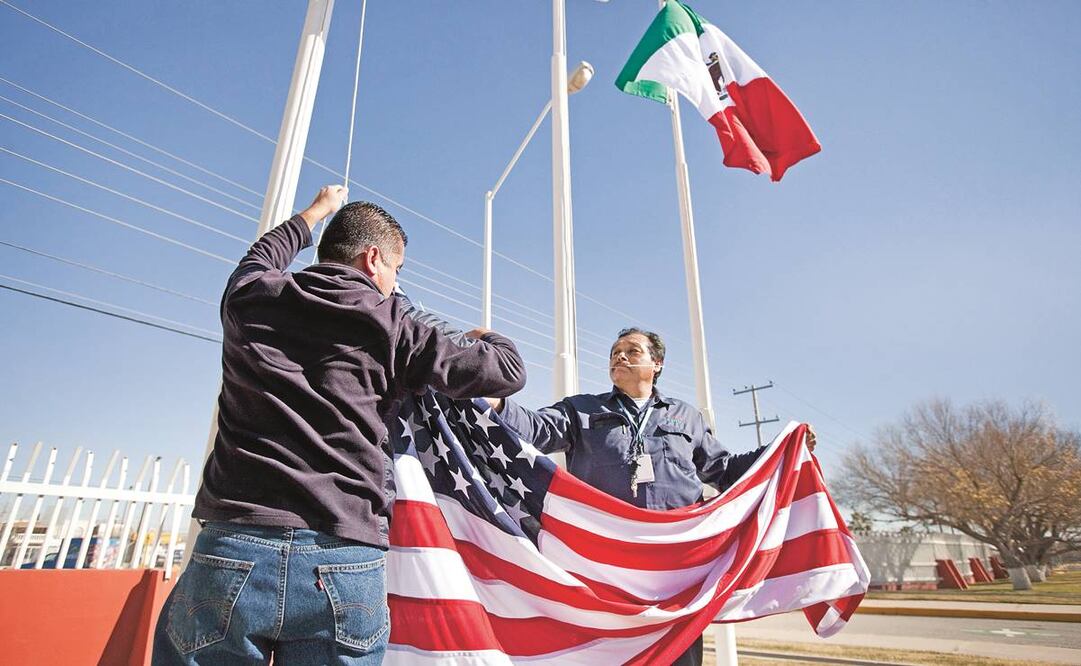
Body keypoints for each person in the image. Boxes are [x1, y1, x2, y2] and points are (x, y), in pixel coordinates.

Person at [153, 186, 526, 666]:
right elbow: (507, 371)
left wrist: (317, 210)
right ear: (373, 259)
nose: (395, 282)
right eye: (397, 268)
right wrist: (484, 335)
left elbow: (262, 253)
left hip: (232, 547)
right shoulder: (397, 325)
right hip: (344, 557)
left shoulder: (251, 296)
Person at [488, 327, 815, 666]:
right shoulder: (581, 409)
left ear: (656, 363)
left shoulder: (685, 416)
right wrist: (494, 401)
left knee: (679, 656)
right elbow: (535, 428)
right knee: (608, 651)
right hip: (608, 564)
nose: (619, 356)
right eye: (615, 351)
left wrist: (783, 448)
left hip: (675, 567)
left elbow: (723, 469)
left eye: (632, 351)